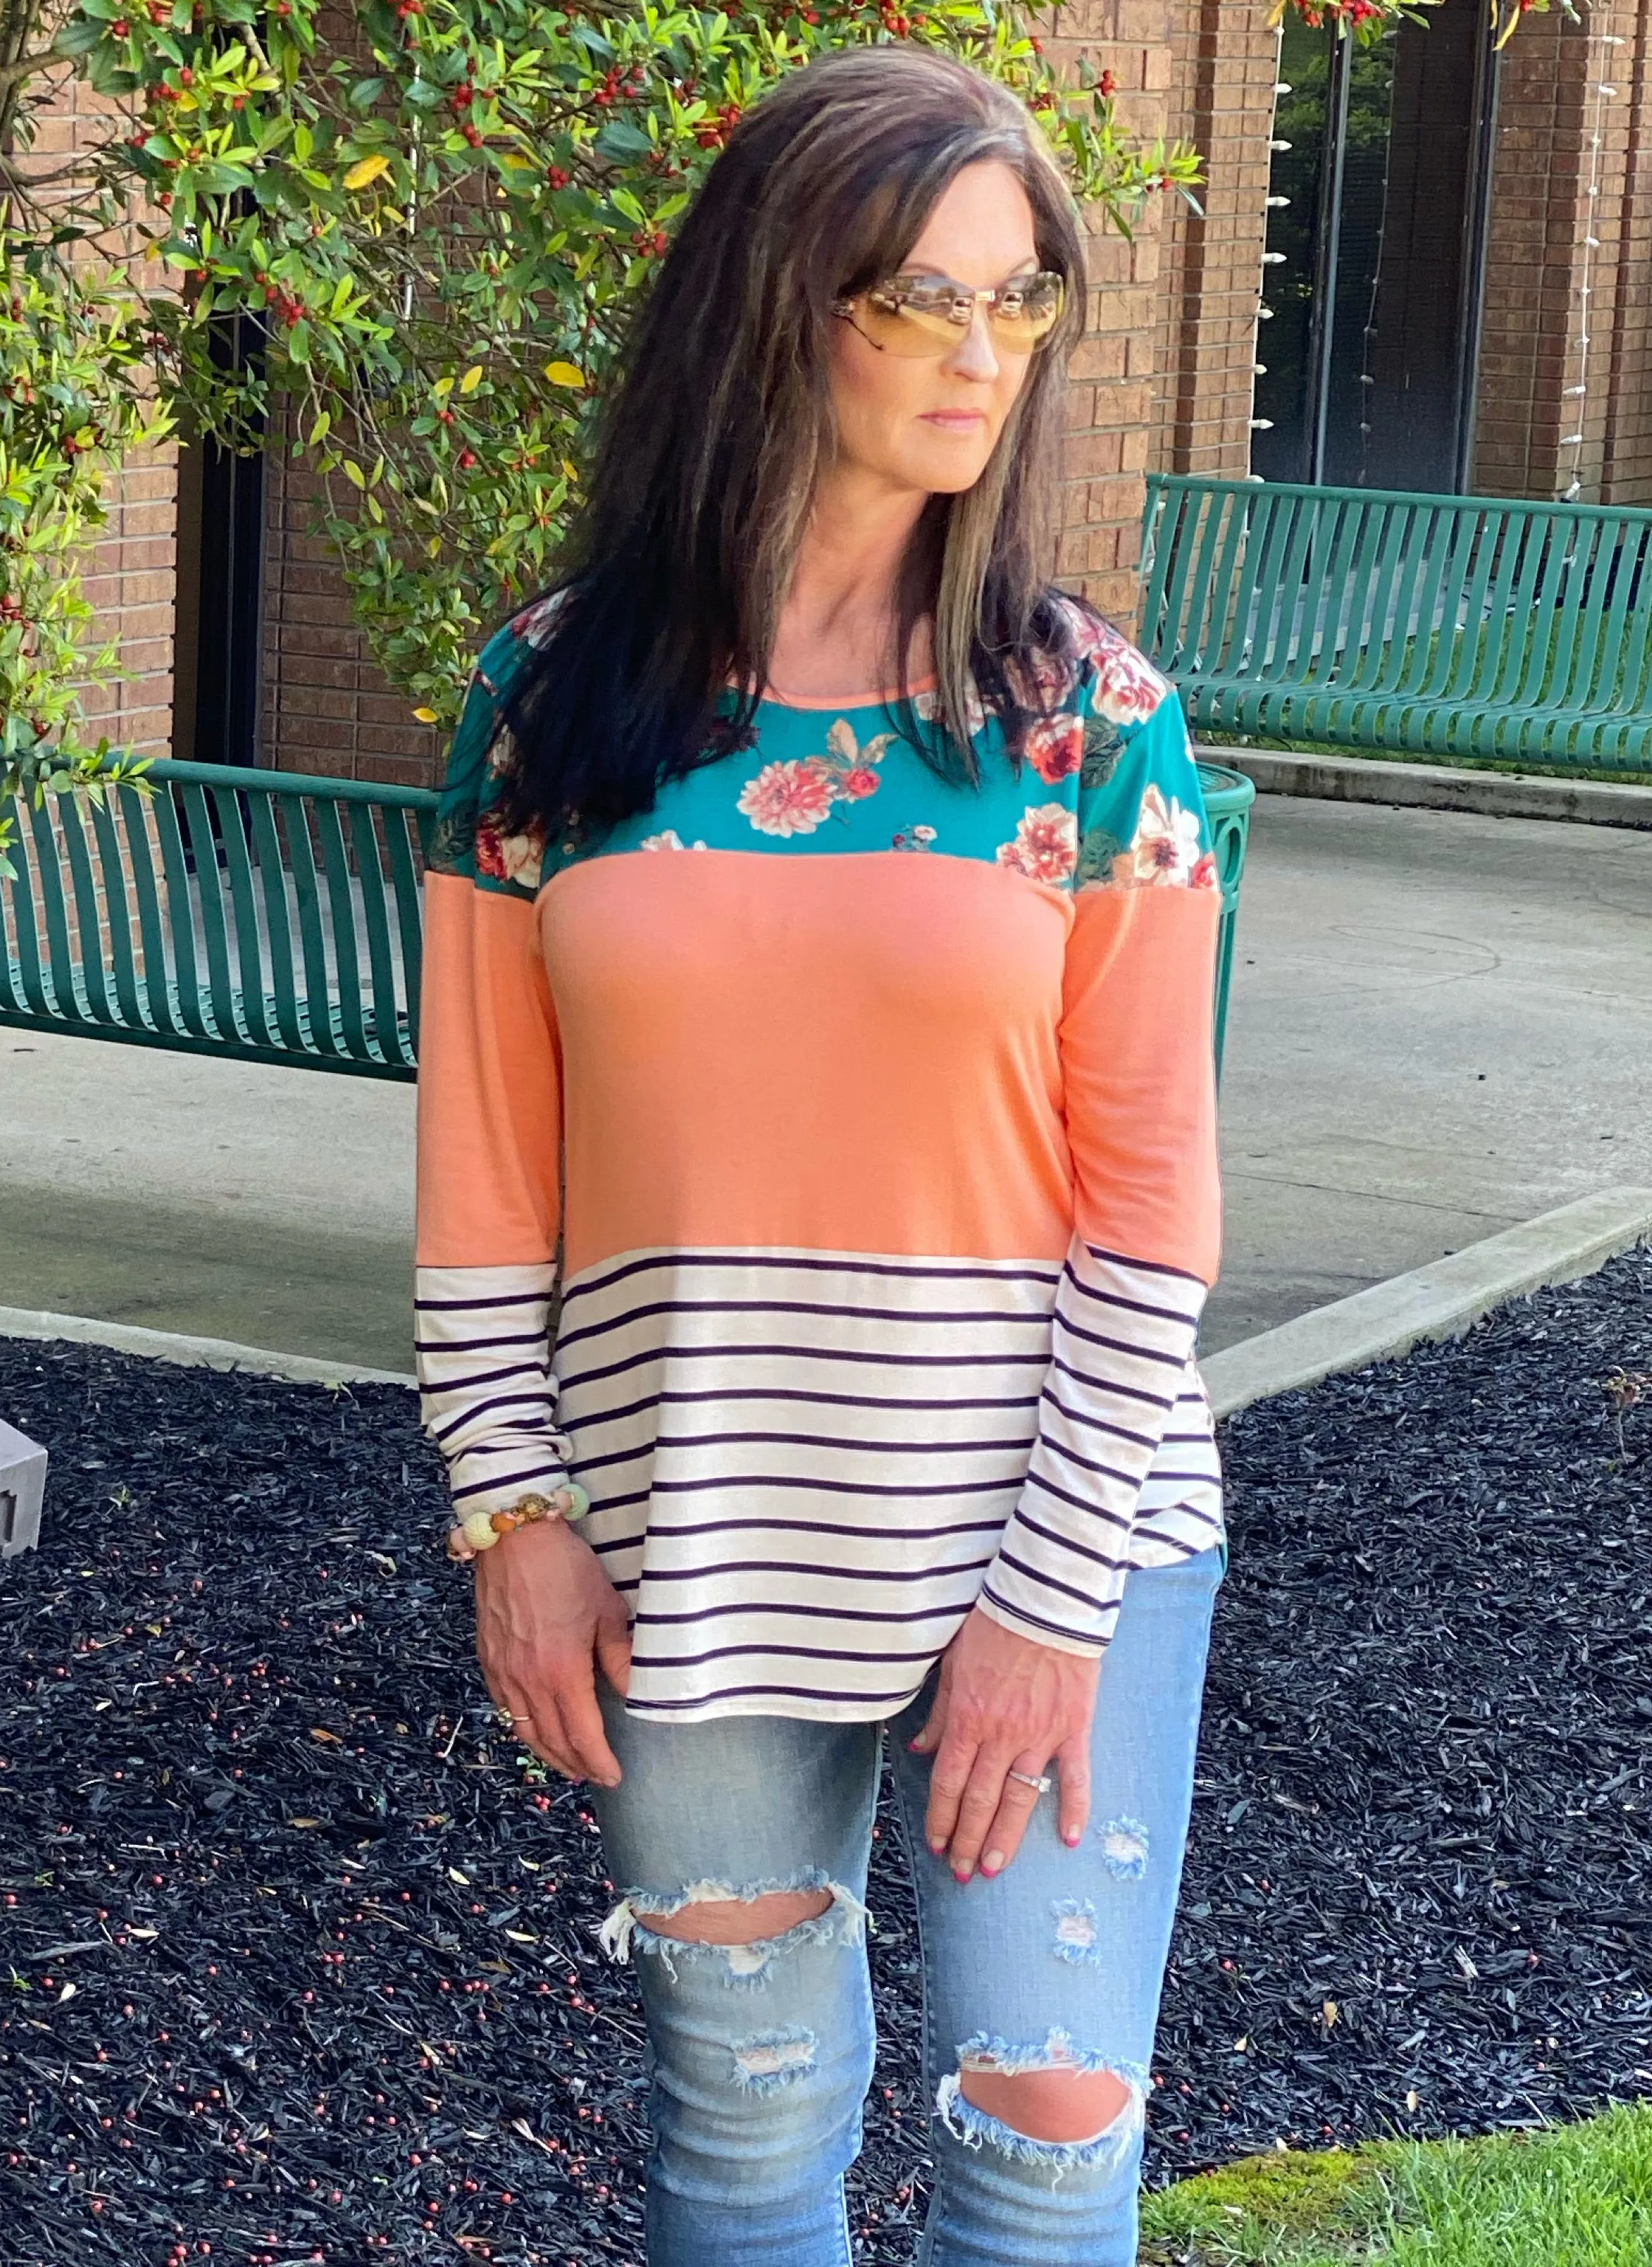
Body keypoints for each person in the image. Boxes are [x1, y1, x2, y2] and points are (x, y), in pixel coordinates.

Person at [412, 41, 1227, 2267]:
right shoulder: (560, 709)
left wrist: (1047, 1612)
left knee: (1044, 2150)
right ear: (775, 307)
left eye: (1019, 296)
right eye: (916, 298)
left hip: (1058, 1525)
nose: (983, 354)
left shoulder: (1091, 724)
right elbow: (489, 1177)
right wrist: (517, 1512)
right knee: (745, 2144)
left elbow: (1154, 1207)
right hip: (695, 1535)